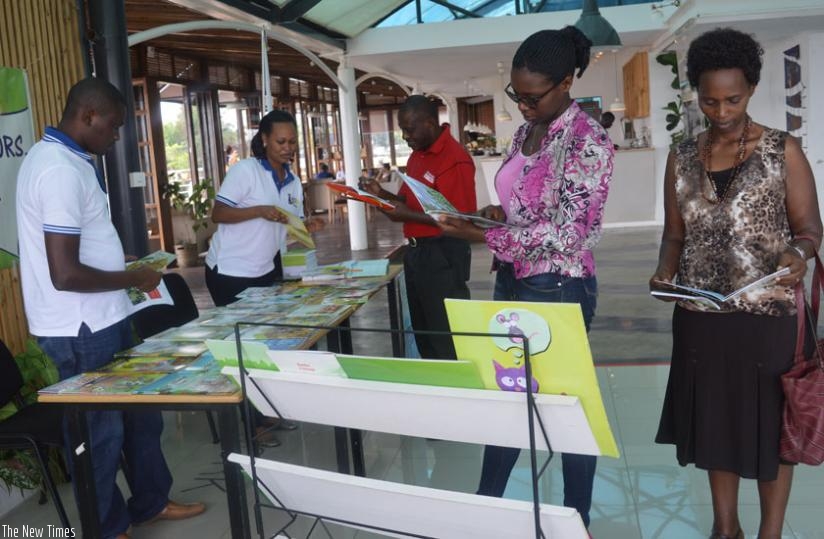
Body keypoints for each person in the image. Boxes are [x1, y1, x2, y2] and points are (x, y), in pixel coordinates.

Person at [435, 27, 613, 529]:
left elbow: (569, 233)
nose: (523, 105)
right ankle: (486, 503)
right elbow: (519, 205)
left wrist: (481, 237)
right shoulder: (525, 131)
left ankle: (576, 517)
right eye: (517, 94)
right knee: (507, 397)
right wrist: (485, 215)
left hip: (558, 286)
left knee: (564, 409)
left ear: (565, 82)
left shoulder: (588, 141)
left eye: (533, 96)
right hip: (513, 278)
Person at [649, 28, 822, 539]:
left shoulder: (780, 150)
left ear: (750, 89)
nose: (721, 110)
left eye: (733, 99)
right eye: (708, 100)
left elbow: (809, 229)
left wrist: (799, 252)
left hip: (769, 316)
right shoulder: (681, 156)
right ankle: (726, 529)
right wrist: (663, 272)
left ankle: (770, 533)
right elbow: (673, 236)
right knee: (713, 425)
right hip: (701, 317)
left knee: (772, 430)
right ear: (696, 93)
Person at [15, 78, 205, 539]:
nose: (118, 136)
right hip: (80, 328)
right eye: (114, 126)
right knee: (99, 436)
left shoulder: (73, 161)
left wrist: (123, 265)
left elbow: (78, 250)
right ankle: (106, 528)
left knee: (141, 417)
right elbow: (64, 274)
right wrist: (136, 278)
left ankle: (150, 502)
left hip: (107, 315)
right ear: (87, 117)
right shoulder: (58, 169)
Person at [362, 94, 476, 360]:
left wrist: (406, 215)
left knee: (446, 338)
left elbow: (460, 219)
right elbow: (405, 201)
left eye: (409, 129)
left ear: (429, 123)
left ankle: (453, 394)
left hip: (443, 254)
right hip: (417, 254)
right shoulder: (417, 155)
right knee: (424, 333)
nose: (404, 136)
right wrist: (379, 195)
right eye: (402, 129)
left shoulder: (454, 158)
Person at [205, 109, 322, 307]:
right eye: (281, 141)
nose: (288, 148)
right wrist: (259, 211)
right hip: (230, 271)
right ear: (265, 139)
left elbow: (286, 228)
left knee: (267, 331)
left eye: (292, 142)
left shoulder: (293, 182)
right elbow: (218, 214)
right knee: (242, 333)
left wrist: (307, 227)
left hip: (265, 270)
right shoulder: (246, 170)